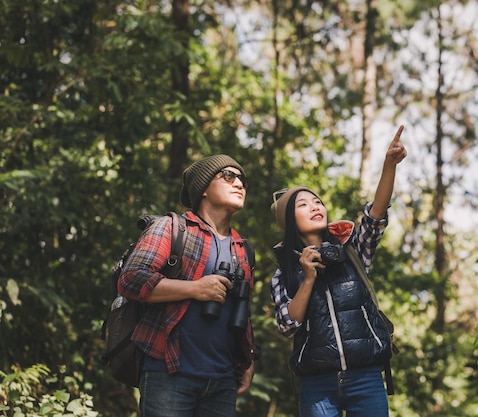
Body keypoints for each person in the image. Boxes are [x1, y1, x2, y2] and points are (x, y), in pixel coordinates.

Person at [269, 126, 407, 417]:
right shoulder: (284, 274)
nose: (315, 206)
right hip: (316, 383)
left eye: (317, 201)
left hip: (366, 377)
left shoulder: (353, 251)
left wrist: (389, 166)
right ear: (289, 221)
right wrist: (307, 278)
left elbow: (375, 216)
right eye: (303, 204)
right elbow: (287, 325)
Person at [118, 154, 259, 417]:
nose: (239, 183)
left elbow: (243, 310)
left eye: (242, 179)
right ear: (203, 188)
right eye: (228, 176)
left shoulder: (244, 248)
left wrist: (248, 359)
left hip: (222, 379)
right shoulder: (171, 228)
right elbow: (131, 279)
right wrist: (196, 288)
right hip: (168, 373)